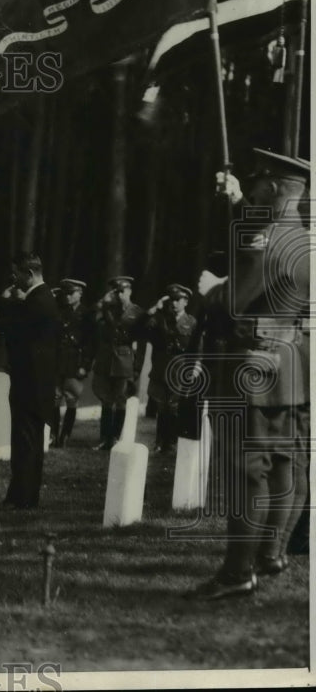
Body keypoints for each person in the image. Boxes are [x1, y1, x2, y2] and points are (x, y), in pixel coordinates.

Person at [185, 149, 310, 601]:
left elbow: (236, 298)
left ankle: (238, 571)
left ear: (274, 188)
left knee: (244, 472)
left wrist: (209, 290)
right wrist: (237, 202)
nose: (251, 187)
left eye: (257, 183)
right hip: (287, 365)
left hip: (252, 366)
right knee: (279, 465)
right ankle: (268, 554)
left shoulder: (268, 239)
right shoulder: (301, 236)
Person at [0, 253, 60, 509]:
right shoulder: (40, 298)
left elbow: (15, 325)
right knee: (28, 441)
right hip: (34, 382)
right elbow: (16, 313)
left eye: (17, 276)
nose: (14, 282)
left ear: (29, 274)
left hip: (31, 384)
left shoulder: (39, 301)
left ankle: (22, 498)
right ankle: (22, 495)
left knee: (25, 441)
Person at [137, 283, 197, 454]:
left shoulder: (191, 322)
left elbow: (197, 347)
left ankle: (171, 443)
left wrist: (194, 367)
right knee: (162, 406)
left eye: (178, 300)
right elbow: (143, 326)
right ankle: (159, 441)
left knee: (174, 407)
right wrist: (155, 308)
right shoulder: (160, 319)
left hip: (180, 370)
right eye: (172, 300)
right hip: (162, 369)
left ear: (186, 302)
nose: (174, 303)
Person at [90, 276, 145, 450]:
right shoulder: (106, 309)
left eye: (122, 291)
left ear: (129, 291)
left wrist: (137, 367)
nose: (119, 295)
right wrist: (102, 303)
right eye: (116, 292)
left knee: (121, 399)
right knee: (106, 400)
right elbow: (91, 320)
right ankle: (104, 438)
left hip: (124, 360)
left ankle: (115, 438)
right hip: (107, 358)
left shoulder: (136, 312)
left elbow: (140, 343)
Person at [52, 278, 94, 448]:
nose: (68, 297)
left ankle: (65, 435)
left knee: (71, 398)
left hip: (75, 363)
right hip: (58, 361)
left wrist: (85, 365)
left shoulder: (87, 314)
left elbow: (91, 343)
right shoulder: (60, 311)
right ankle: (54, 434)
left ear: (80, 294)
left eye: (71, 293)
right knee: (54, 398)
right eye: (66, 294)